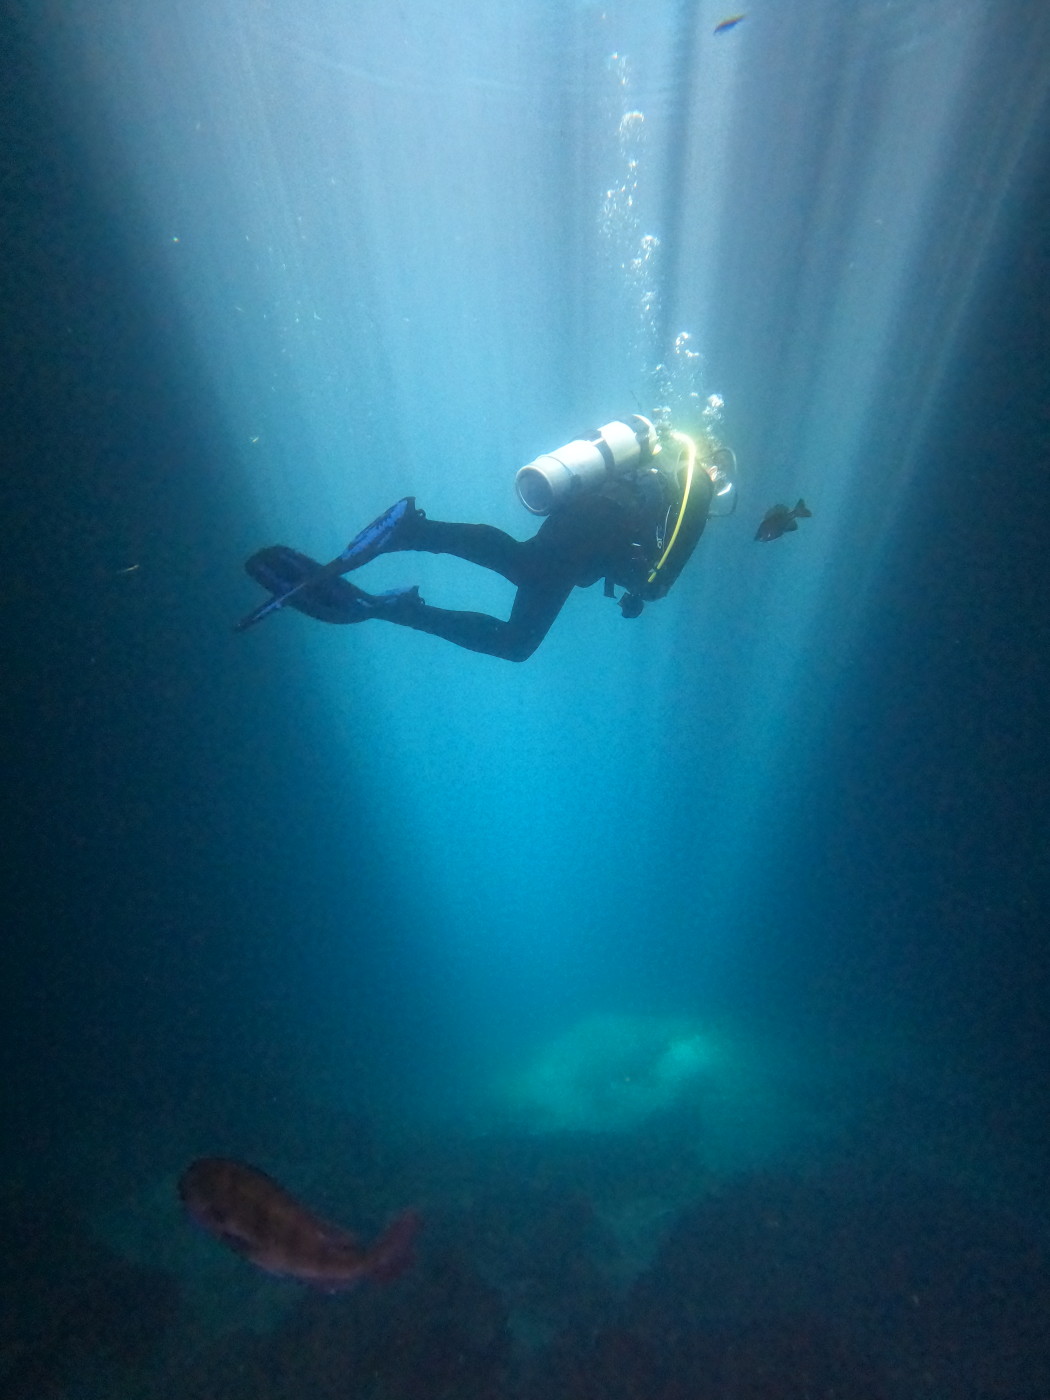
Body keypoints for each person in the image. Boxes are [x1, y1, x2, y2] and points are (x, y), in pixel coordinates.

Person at [236, 417, 728, 662]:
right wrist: (648, 587)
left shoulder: (649, 466)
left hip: (576, 521)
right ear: (714, 462)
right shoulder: (695, 482)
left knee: (521, 561)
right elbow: (666, 569)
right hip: (591, 532)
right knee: (517, 643)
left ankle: (413, 530)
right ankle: (406, 601)